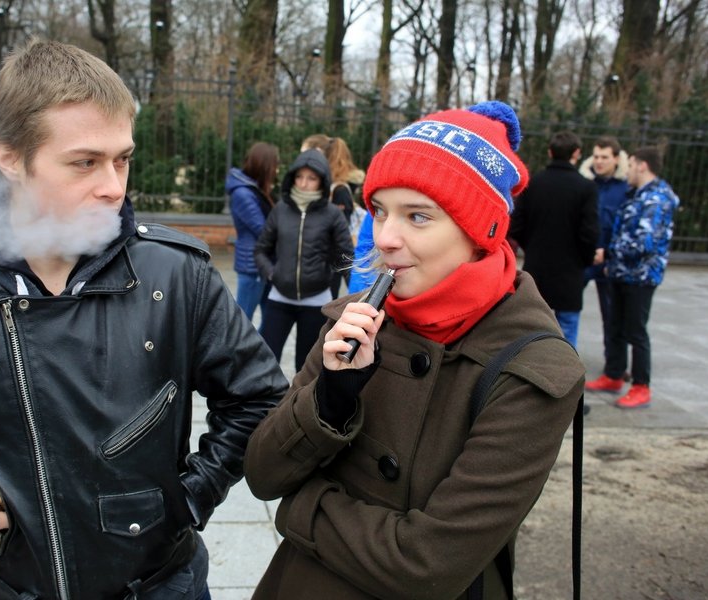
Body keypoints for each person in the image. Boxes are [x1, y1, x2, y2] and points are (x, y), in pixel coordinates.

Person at [0, 38, 289, 600]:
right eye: (84, 162)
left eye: (122, 158)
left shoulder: (175, 276)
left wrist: (190, 497)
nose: (113, 185)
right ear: (10, 157)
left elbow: (258, 399)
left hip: (164, 586)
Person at [244, 101, 584, 599]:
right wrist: (331, 400)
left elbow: (427, 566)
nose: (384, 238)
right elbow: (262, 472)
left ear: (480, 233)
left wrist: (302, 509)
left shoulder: (532, 369)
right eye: (380, 210)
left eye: (418, 216)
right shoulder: (354, 319)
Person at [585, 146, 679, 409]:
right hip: (621, 273)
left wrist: (609, 253)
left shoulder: (657, 199)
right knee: (616, 325)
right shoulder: (636, 195)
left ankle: (641, 386)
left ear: (643, 165)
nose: (627, 169)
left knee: (636, 331)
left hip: (641, 276)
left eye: (632, 163)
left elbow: (645, 243)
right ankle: (614, 375)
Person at [254, 149, 353, 373]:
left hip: (316, 301)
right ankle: (265, 406)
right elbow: (261, 249)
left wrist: (358, 293)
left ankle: (299, 407)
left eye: (311, 178)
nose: (304, 183)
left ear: (322, 181)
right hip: (280, 298)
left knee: (307, 366)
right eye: (299, 177)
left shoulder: (332, 214)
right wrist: (272, 273)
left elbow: (346, 256)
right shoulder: (281, 209)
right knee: (265, 362)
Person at [509, 130, 599, 347]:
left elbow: (516, 225)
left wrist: (531, 245)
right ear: (576, 154)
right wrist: (585, 260)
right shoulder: (586, 188)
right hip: (570, 270)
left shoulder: (534, 184)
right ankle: (567, 376)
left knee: (533, 326)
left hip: (537, 265)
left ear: (550, 152)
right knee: (567, 328)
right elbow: (589, 232)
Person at [579, 136, 629, 366]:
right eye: (596, 156)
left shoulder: (626, 188)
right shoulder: (585, 183)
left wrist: (608, 253)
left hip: (609, 261)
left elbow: (626, 225)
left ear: (616, 159)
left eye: (604, 157)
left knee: (613, 316)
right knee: (564, 308)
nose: (599, 162)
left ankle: (614, 365)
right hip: (583, 257)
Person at [301, 134, 365, 298]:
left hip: (328, 266)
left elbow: (339, 237)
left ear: (319, 153)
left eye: (305, 153)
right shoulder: (323, 188)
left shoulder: (339, 191)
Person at [226, 141, 278, 322]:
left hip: (262, 263)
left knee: (270, 319)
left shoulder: (254, 190)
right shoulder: (243, 193)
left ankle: (261, 350)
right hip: (252, 265)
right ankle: (235, 351)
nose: (276, 171)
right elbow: (262, 229)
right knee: (242, 321)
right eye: (274, 166)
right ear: (263, 166)